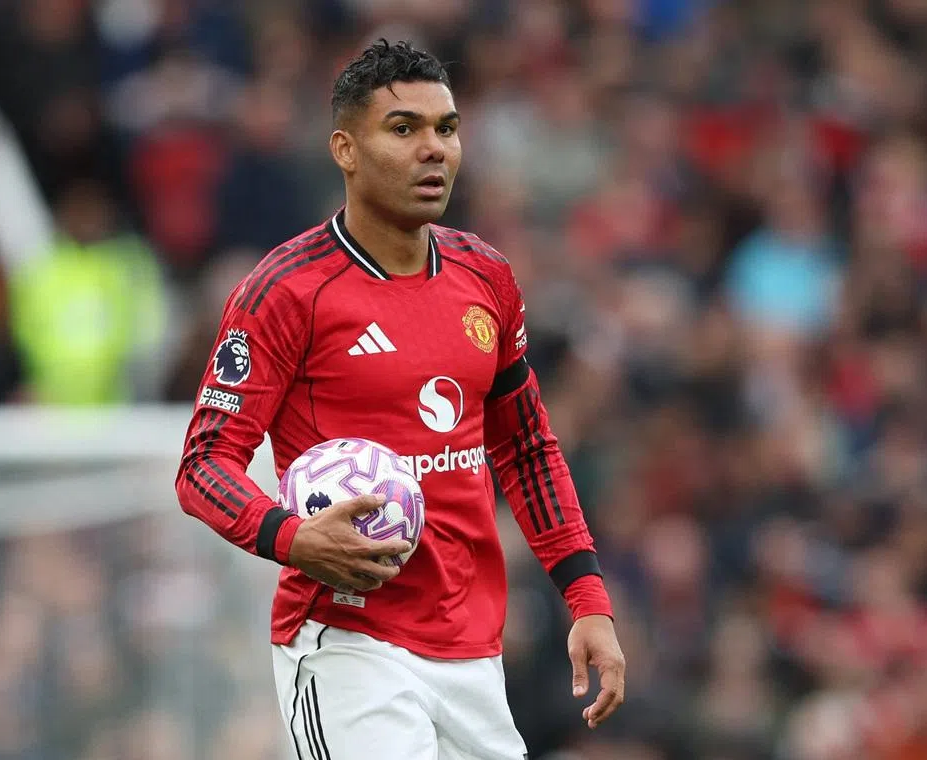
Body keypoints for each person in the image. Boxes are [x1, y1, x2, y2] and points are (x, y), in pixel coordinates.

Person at [175, 39, 626, 760]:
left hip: (473, 651)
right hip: (349, 644)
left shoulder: (486, 278)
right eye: (404, 129)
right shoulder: (285, 292)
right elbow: (203, 465)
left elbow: (527, 448)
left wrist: (587, 598)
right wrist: (292, 537)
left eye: (446, 128)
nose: (434, 150)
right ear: (345, 150)